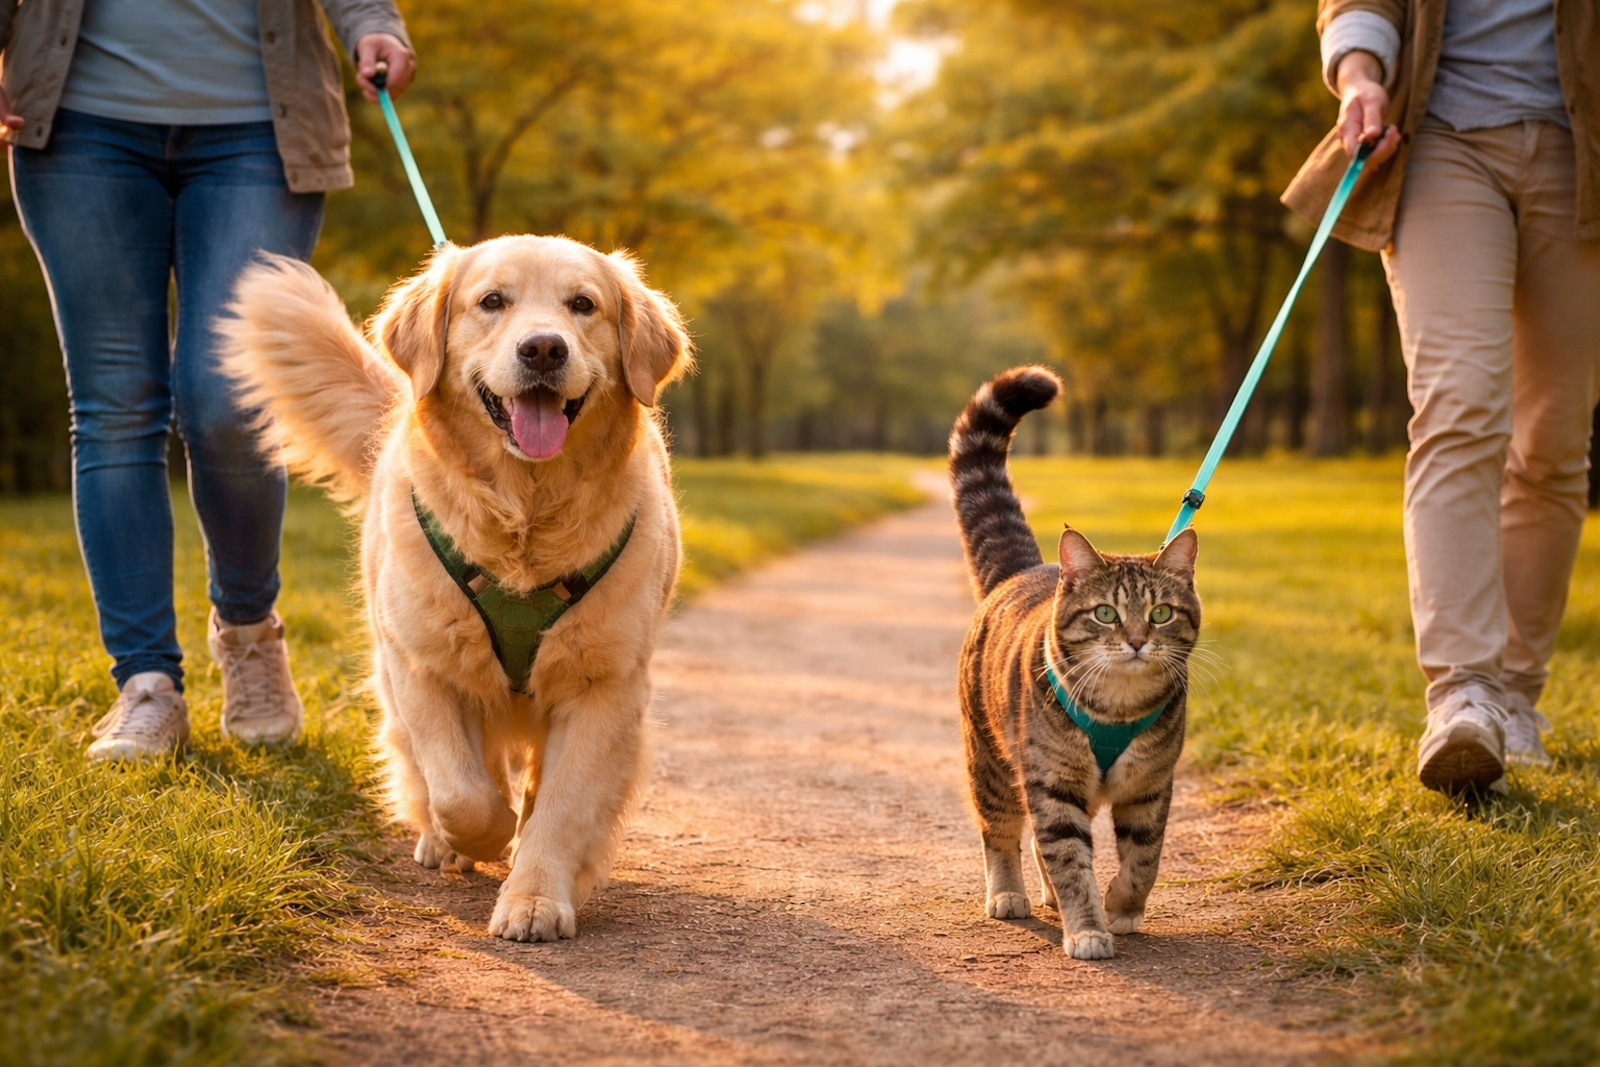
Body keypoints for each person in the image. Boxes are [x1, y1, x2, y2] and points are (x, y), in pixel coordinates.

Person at [0, 0, 415, 761]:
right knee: (115, 404)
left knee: (229, 400)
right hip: (77, 119)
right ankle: (147, 685)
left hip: (261, 123)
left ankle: (250, 631)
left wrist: (370, 22)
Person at [1284, 0, 1600, 793]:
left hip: (1583, 146)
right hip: (1440, 139)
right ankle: (1463, 690)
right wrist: (1360, 73)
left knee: (1554, 440)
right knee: (1459, 406)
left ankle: (1518, 696)